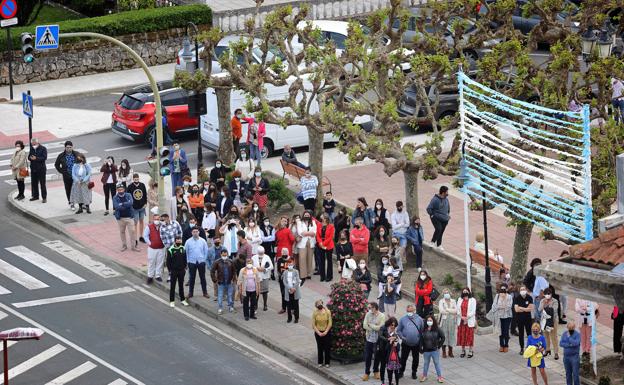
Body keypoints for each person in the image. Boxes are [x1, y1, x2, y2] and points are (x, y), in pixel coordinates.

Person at [397, 305, 423, 380]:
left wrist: (419, 339)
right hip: (406, 343)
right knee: (403, 358)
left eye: (411, 311)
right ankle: (401, 372)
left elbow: (421, 330)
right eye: (408, 311)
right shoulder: (402, 319)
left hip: (416, 344)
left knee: (416, 359)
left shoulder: (419, 319)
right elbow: (399, 330)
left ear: (414, 311)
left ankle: (414, 372)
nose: (409, 313)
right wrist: (402, 337)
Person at [362, 302, 385, 381]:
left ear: (375, 308)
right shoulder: (368, 314)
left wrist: (370, 325)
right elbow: (364, 325)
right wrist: (374, 326)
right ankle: (367, 372)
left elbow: (380, 328)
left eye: (370, 308)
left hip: (377, 340)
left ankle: (376, 371)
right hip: (369, 338)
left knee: (377, 356)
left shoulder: (382, 316)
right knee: (368, 356)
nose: (369, 309)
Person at [185, 227, 210, 299]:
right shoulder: (188, 242)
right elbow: (186, 252)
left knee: (203, 278)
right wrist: (187, 262)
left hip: (201, 262)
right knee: (191, 278)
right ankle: (190, 293)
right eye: (194, 232)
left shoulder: (203, 241)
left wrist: (204, 260)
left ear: (199, 232)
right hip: (191, 262)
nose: (195, 233)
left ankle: (205, 292)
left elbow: (206, 251)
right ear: (191, 233)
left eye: (196, 231)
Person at [113, 184, 139, 252]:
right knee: (122, 232)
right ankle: (124, 245)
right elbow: (116, 206)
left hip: (129, 217)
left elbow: (131, 203)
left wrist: (122, 204)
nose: (120, 191)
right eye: (119, 190)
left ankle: (133, 246)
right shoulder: (115, 197)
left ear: (124, 189)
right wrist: (126, 204)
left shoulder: (128, 195)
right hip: (120, 218)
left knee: (132, 231)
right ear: (117, 190)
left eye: (121, 189)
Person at [420, 315, 445, 383]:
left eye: (430, 320)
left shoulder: (437, 329)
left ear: (433, 321)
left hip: (434, 350)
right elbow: (421, 339)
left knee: (436, 363)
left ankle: (439, 377)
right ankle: (424, 376)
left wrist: (439, 346)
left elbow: (443, 337)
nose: (429, 322)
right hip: (426, 350)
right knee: (426, 363)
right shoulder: (423, 329)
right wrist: (420, 348)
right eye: (428, 320)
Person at [211, 249, 237, 314]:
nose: (224, 256)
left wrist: (233, 279)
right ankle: (220, 308)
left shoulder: (231, 262)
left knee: (230, 295)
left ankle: (231, 307)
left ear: (227, 254)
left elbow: (234, 271)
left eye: (226, 255)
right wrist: (215, 280)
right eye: (223, 255)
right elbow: (212, 271)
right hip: (221, 282)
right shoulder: (217, 262)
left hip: (229, 282)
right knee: (220, 295)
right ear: (221, 254)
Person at [166, 236, 189, 307]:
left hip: (182, 270)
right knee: (172, 286)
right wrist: (170, 271)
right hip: (174, 271)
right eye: (177, 240)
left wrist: (185, 268)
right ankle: (172, 301)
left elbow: (185, 259)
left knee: (181, 286)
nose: (179, 241)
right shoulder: (171, 249)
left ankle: (182, 300)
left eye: (180, 240)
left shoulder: (183, 248)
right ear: (175, 241)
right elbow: (168, 262)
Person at [54, 141, 78, 209]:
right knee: (68, 189)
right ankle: (71, 202)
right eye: (67, 147)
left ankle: (81, 204)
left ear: (72, 147)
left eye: (70, 147)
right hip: (67, 176)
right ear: (65, 147)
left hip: (76, 176)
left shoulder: (76, 154)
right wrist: (62, 171)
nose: (69, 149)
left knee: (77, 189)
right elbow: (56, 165)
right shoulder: (61, 155)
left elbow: (82, 162)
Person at [491, 283, 514, 353]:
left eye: (504, 289)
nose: (503, 290)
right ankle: (501, 345)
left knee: (506, 331)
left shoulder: (509, 297)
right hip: (499, 316)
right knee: (500, 331)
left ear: (507, 289)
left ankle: (506, 345)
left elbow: (509, 306)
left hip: (507, 316)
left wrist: (503, 299)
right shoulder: (497, 296)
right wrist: (501, 306)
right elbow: (494, 306)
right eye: (502, 289)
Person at [144, 213, 166, 283]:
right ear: (153, 220)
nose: (157, 220)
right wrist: (150, 243)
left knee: (160, 262)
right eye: (155, 219)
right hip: (152, 248)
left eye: (158, 219)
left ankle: (158, 275)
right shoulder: (149, 227)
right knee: (151, 262)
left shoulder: (163, 226)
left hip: (161, 248)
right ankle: (150, 276)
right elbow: (145, 236)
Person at [296, 211, 317, 284]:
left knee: (309, 258)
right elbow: (300, 232)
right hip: (302, 243)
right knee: (302, 258)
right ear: (303, 215)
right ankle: (303, 275)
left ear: (310, 216)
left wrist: (306, 233)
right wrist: (309, 233)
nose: (307, 216)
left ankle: (308, 274)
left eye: (308, 215)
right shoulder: (299, 222)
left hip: (311, 242)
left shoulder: (313, 222)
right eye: (305, 214)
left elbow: (314, 232)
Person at [380, 317, 401, 385]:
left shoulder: (394, 330)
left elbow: (398, 342)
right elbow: (380, 336)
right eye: (392, 324)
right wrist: (388, 339)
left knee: (391, 368)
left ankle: (391, 381)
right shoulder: (383, 327)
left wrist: (396, 342)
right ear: (389, 323)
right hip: (383, 349)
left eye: (394, 325)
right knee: (383, 365)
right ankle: (382, 381)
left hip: (391, 350)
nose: (393, 326)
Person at [514, 285, 535, 354]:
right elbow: (516, 310)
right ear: (519, 291)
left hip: (528, 319)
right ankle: (522, 348)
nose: (522, 290)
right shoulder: (517, 298)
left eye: (524, 289)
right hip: (519, 319)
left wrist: (521, 308)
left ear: (526, 290)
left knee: (529, 333)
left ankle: (530, 348)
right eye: (521, 289)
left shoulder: (529, 297)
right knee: (521, 334)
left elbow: (531, 308)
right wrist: (526, 309)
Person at [539, 288, 559, 359]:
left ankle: (556, 352)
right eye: (546, 294)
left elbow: (554, 309)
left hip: (552, 321)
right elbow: (539, 309)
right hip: (544, 321)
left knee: (553, 336)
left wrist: (548, 304)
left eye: (548, 294)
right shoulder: (542, 300)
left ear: (551, 294)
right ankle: (547, 349)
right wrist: (544, 303)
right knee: (545, 336)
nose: (547, 295)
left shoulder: (555, 301)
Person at [457, 287, 477, 358]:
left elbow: (473, 311)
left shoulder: (472, 300)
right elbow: (458, 310)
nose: (465, 292)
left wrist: (467, 318)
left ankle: (470, 351)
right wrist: (462, 317)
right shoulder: (460, 299)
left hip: (469, 320)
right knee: (462, 336)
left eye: (466, 291)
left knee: (470, 336)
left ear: (469, 292)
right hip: (461, 320)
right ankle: (463, 350)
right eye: (464, 291)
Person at [127, 174, 147, 243]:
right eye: (135, 179)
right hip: (134, 208)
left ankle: (141, 236)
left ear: (139, 178)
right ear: (133, 179)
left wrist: (145, 203)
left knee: (141, 221)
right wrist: (130, 206)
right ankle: (135, 238)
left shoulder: (142, 185)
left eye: (137, 179)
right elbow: (128, 197)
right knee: (135, 223)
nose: (136, 181)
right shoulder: (130, 187)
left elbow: (144, 194)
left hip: (142, 207)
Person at [312, 299, 332, 368]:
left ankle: (327, 362)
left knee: (327, 347)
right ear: (316, 306)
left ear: (322, 304)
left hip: (327, 332)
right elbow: (313, 325)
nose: (319, 305)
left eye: (320, 303)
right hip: (318, 332)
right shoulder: (315, 313)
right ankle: (320, 362)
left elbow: (330, 323)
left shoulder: (327, 312)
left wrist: (326, 331)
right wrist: (318, 333)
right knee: (320, 347)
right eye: (318, 304)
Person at [252, 246, 273, 311]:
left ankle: (265, 305)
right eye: (260, 253)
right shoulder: (254, 257)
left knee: (265, 292)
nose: (261, 254)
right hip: (257, 276)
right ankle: (256, 305)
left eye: (262, 253)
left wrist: (265, 269)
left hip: (265, 276)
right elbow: (251, 265)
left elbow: (271, 266)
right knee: (256, 291)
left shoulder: (267, 257)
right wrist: (257, 268)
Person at [560, 320, 581, 385]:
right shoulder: (564, 334)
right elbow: (561, 343)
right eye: (569, 328)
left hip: (574, 357)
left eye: (572, 328)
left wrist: (569, 338)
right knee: (568, 374)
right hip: (566, 357)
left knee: (575, 374)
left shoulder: (577, 334)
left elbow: (576, 343)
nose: (570, 329)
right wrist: (569, 345)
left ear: (574, 327)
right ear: (567, 327)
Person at [438, 288, 457, 358]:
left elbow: (456, 310)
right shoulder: (441, 301)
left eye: (447, 292)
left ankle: (450, 351)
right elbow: (441, 311)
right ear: (443, 294)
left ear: (450, 293)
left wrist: (447, 309)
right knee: (444, 335)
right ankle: (443, 352)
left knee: (451, 335)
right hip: (444, 320)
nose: (447, 294)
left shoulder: (453, 301)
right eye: (445, 293)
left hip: (451, 320)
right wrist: (450, 311)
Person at [316, 213, 335, 282]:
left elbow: (330, 237)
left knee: (329, 261)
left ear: (326, 218)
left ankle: (329, 276)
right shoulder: (319, 225)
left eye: (322, 216)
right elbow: (317, 235)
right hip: (320, 245)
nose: (321, 218)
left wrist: (323, 244)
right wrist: (320, 243)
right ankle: (322, 276)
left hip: (328, 245)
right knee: (321, 261)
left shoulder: (331, 226)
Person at [28, 138, 47, 202]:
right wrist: (30, 158)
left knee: (42, 184)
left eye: (34, 144)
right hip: (33, 169)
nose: (33, 145)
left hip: (41, 169)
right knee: (34, 184)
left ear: (37, 143)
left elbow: (44, 157)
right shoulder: (32, 149)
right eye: (32, 144)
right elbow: (29, 157)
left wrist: (36, 158)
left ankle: (44, 198)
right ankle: (36, 196)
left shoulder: (43, 148)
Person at [282, 259, 301, 323]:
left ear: (293, 264)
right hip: (288, 291)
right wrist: (289, 288)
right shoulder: (285, 272)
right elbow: (284, 281)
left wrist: (294, 288)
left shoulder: (296, 271)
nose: (290, 265)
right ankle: (289, 318)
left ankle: (296, 318)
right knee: (289, 305)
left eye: (291, 264)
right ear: (287, 265)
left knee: (296, 305)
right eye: (289, 264)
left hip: (295, 291)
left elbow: (297, 280)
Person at [276, 247, 292, 314]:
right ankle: (283, 308)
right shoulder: (279, 259)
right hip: (282, 280)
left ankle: (291, 308)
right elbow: (278, 269)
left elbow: (292, 270)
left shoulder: (291, 259)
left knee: (290, 294)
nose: (283, 255)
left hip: (289, 280)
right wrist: (280, 276)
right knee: (283, 293)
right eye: (283, 253)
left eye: (284, 253)